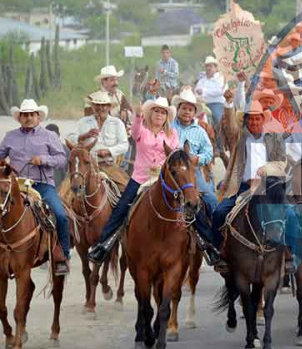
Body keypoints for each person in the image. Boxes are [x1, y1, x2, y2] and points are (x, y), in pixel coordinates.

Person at [88, 97, 180, 264]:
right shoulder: (142, 131)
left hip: (162, 179)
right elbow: (135, 129)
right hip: (140, 178)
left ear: (167, 116)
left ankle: (202, 243)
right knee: (121, 208)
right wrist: (137, 116)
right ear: (150, 114)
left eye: (163, 112)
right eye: (156, 111)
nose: (159, 115)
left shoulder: (172, 134)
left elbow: (174, 156)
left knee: (184, 204)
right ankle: (103, 245)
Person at [212, 97, 296, 273]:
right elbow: (228, 125)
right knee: (220, 213)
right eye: (251, 118)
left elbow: (281, 163)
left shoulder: (275, 137)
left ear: (263, 119)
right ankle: (222, 252)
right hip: (243, 187)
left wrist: (265, 169)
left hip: (270, 187)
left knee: (289, 213)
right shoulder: (240, 137)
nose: (254, 122)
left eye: (258, 118)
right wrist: (228, 102)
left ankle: (289, 253)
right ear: (246, 120)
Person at [0, 99, 70, 275]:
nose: (29, 118)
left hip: (43, 185)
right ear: (20, 118)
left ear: (38, 117)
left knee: (61, 216)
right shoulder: (10, 136)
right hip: (17, 186)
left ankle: (62, 256)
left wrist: (43, 160)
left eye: (32, 114)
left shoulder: (49, 136)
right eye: (25, 115)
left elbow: (62, 159)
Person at [170, 89, 224, 263]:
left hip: (193, 171)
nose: (187, 112)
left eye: (190, 109)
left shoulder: (200, 131)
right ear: (178, 109)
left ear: (195, 112)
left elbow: (209, 152)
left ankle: (215, 242)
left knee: (210, 200)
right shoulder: (169, 127)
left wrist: (197, 159)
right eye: (184, 108)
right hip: (171, 171)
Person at [76, 91, 130, 190]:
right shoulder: (82, 122)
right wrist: (85, 135)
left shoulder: (117, 123)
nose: (101, 108)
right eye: (97, 105)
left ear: (109, 107)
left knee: (126, 189)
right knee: (67, 193)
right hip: (86, 166)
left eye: (104, 105)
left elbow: (124, 145)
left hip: (108, 165)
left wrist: (108, 151)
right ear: (93, 106)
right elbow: (71, 139)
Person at [195, 56, 225, 130]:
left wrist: (203, 91)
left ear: (216, 68)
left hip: (216, 103)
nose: (208, 68)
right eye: (206, 66)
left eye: (210, 66)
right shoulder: (202, 80)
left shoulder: (220, 78)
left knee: (218, 119)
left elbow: (221, 91)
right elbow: (196, 90)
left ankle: (219, 140)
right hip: (202, 104)